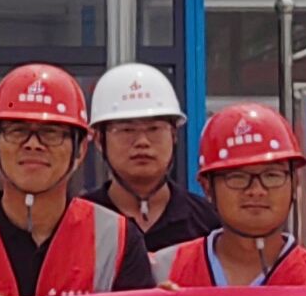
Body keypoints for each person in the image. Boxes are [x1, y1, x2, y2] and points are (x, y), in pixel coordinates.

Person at [0, 65, 155, 296]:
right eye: (17, 131)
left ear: (81, 148)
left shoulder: (117, 239)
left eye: (51, 132)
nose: (33, 144)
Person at [160, 103, 306, 287]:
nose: (256, 191)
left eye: (272, 176)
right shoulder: (164, 271)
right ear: (207, 187)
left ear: (295, 183)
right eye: (237, 177)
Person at [85, 63, 216, 256]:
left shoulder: (209, 224)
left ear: (174, 135)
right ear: (99, 140)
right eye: (126, 130)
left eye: (154, 129)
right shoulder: (79, 222)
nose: (142, 142)